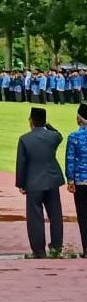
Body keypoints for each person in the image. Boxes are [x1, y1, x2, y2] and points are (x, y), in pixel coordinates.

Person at [16, 107, 65, 258]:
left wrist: (21, 184)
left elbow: (21, 163)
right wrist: (47, 126)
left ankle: (38, 250)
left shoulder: (25, 139)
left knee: (35, 217)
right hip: (51, 181)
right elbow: (59, 135)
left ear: (31, 120)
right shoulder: (53, 137)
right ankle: (56, 247)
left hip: (33, 182)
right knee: (55, 215)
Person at [65, 103, 87, 257]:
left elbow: (70, 159)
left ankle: (86, 248)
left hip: (81, 181)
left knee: (83, 215)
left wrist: (70, 180)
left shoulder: (74, 136)